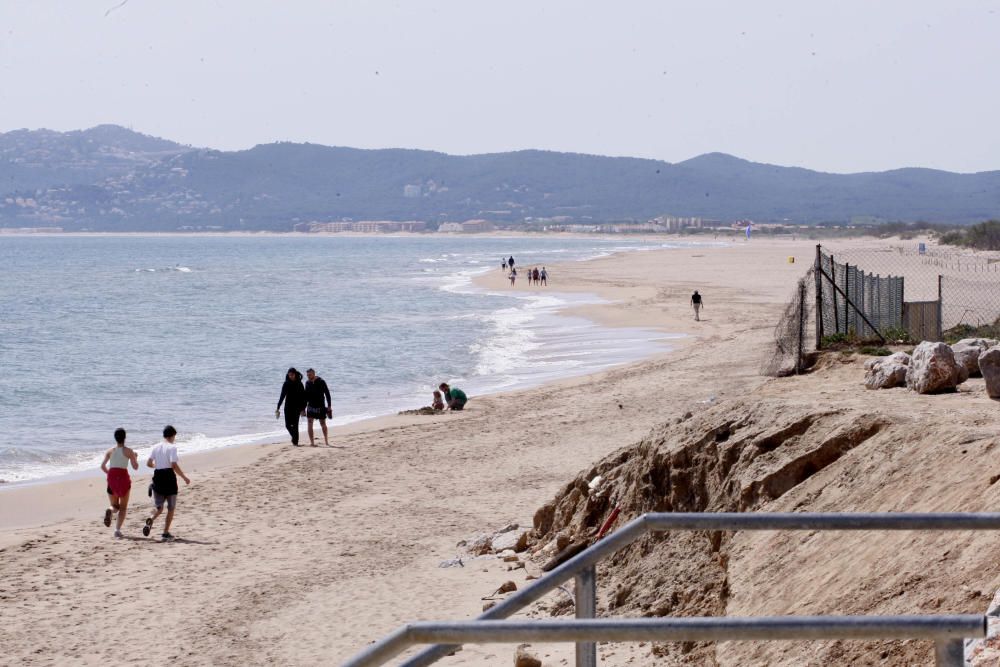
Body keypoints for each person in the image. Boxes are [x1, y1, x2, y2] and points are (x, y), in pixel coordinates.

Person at [143, 425, 190, 541]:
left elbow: (148, 463)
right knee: (171, 508)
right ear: (172, 435)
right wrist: (184, 477)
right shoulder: (172, 448)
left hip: (158, 477)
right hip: (169, 478)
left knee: (159, 508)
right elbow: (173, 465)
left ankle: (151, 518)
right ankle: (165, 533)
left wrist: (157, 466)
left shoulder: (155, 447)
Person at [100, 427, 139, 539]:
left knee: (114, 505)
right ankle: (117, 531)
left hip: (111, 478)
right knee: (123, 507)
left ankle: (110, 510)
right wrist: (135, 457)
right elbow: (135, 467)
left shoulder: (110, 451)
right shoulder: (129, 451)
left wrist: (110, 474)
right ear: (124, 438)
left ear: (115, 438)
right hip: (123, 478)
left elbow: (102, 466)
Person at [276, 367, 306, 446]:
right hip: (288, 407)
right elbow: (282, 395)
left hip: (297, 407)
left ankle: (295, 442)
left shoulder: (299, 384)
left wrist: (303, 408)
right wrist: (278, 406)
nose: (291, 376)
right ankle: (294, 437)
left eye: (292, 375)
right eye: (289, 375)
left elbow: (303, 397)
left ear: (295, 374)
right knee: (287, 425)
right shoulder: (286, 383)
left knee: (295, 425)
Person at [304, 368, 332, 446]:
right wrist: (303, 408)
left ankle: (326, 441)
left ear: (314, 374)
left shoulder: (321, 381)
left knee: (323, 423)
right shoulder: (307, 383)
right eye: (307, 375)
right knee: (309, 423)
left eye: (309, 375)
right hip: (310, 407)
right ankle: (312, 443)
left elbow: (327, 394)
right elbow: (305, 397)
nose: (308, 376)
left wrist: (329, 406)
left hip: (320, 406)